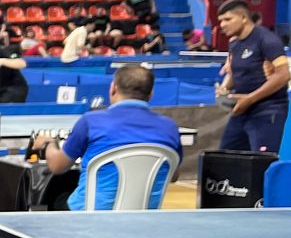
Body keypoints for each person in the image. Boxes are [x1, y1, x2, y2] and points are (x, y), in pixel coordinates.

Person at [32, 65, 182, 210]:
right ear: (151, 94)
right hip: (144, 215)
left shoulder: (90, 121)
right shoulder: (170, 127)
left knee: (56, 196)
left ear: (113, 88)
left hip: (89, 216)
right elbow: (173, 175)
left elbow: (57, 167)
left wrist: (48, 144)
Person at [216, 0, 291, 153]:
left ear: (243, 18)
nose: (222, 25)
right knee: (225, 157)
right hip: (242, 111)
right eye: (221, 21)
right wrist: (224, 88)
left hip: (268, 110)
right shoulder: (234, 43)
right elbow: (234, 73)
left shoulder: (267, 40)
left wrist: (250, 99)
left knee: (260, 164)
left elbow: (283, 75)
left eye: (227, 19)